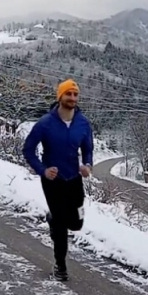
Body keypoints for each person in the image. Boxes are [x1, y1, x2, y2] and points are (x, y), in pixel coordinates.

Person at [22, 79, 93, 282]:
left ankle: (53, 218)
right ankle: (60, 265)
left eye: (75, 94)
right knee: (62, 226)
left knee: (77, 223)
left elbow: (88, 149)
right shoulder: (45, 123)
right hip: (53, 181)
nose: (72, 98)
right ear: (60, 96)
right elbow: (28, 150)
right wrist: (43, 170)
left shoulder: (83, 123)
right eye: (68, 94)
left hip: (74, 179)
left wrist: (87, 165)